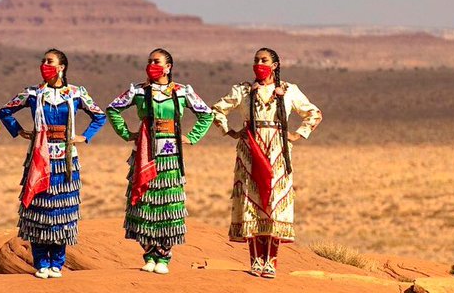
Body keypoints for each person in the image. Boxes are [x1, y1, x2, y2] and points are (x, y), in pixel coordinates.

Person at [209, 48, 323, 279]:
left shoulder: (289, 90)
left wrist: (297, 134)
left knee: (274, 202)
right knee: (252, 202)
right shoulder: (242, 90)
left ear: (275, 65)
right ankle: (255, 261)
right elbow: (217, 110)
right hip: (250, 150)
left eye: (264, 60)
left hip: (277, 151)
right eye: (256, 60)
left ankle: (270, 261)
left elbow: (314, 113)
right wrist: (230, 131)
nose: (259, 64)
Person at [0, 48, 107, 279]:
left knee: (63, 208)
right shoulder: (32, 93)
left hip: (66, 159)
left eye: (50, 61)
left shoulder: (76, 93)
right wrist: (19, 131)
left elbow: (99, 115)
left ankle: (57, 262)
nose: (45, 65)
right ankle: (41, 262)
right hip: (40, 157)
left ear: (61, 67)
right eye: (43, 61)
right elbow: (5, 111)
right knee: (39, 207)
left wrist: (85, 136)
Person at [105, 48, 214, 274]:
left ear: (168, 67)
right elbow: (113, 109)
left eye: (156, 61)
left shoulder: (182, 91)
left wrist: (192, 137)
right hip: (145, 152)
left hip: (171, 155)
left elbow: (206, 114)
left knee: (168, 203)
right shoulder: (138, 90)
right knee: (144, 202)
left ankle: (164, 257)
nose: (152, 65)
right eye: (149, 61)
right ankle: (149, 255)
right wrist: (127, 133)